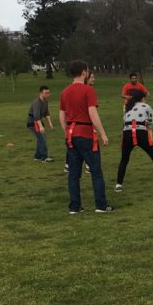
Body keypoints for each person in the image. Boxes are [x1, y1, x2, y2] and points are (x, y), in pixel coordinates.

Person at [59, 61, 112, 213]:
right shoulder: (88, 90)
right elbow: (92, 113)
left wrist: (67, 131)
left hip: (71, 135)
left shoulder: (65, 92)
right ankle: (101, 205)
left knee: (74, 174)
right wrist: (102, 133)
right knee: (96, 171)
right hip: (86, 134)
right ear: (83, 72)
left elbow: (62, 116)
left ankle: (75, 207)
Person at [115, 90, 153, 192]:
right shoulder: (147, 107)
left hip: (127, 134)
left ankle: (118, 185)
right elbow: (149, 126)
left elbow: (124, 125)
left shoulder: (128, 108)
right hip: (141, 133)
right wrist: (152, 143)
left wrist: (123, 140)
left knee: (124, 160)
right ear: (143, 98)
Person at [27, 85, 55, 162]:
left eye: (48, 93)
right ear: (41, 93)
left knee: (41, 138)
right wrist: (41, 127)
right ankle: (44, 157)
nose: (48, 94)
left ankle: (37, 156)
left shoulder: (45, 101)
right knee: (42, 139)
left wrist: (50, 123)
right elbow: (36, 116)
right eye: (46, 93)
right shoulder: (36, 102)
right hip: (32, 122)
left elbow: (46, 113)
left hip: (38, 121)